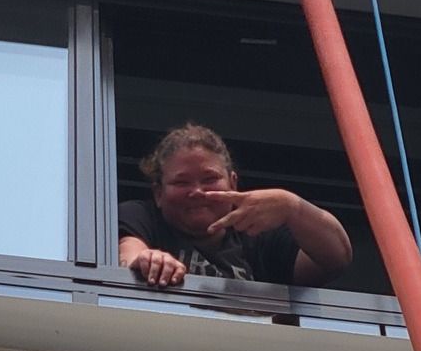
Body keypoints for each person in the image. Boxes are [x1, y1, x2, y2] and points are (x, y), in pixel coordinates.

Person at [117, 123, 353, 290]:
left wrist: (293, 207)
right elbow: (128, 252)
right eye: (181, 182)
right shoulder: (141, 217)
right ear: (159, 193)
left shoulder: (258, 233)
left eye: (210, 179)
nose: (198, 191)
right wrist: (147, 260)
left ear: (233, 183)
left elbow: (335, 259)